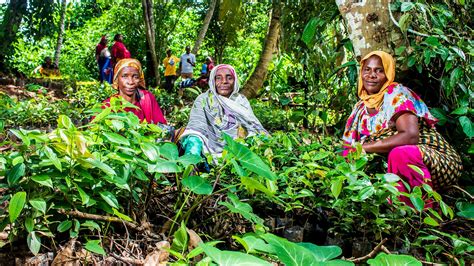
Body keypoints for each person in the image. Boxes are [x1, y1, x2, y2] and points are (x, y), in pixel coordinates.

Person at [342, 51, 462, 207]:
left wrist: (363, 148)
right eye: (367, 69)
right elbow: (347, 149)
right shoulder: (359, 108)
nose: (372, 75)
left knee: (401, 154)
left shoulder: (396, 94)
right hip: (391, 170)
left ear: (388, 74)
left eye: (379, 70)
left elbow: (410, 137)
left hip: (435, 161)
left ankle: (421, 214)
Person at [180, 64, 267, 159]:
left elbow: (252, 128)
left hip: (236, 150)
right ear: (213, 81)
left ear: (235, 81)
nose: (224, 81)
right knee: (193, 139)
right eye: (218, 78)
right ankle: (192, 164)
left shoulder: (241, 101)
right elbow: (196, 128)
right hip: (207, 148)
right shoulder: (204, 99)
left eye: (229, 78)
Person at [102, 58, 167, 125]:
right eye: (125, 76)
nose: (130, 82)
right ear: (117, 79)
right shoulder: (107, 106)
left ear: (140, 79)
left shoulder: (147, 98)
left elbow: (162, 128)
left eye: (135, 77)